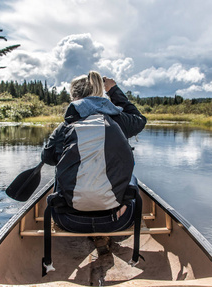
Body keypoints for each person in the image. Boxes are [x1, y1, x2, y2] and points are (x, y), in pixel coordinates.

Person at [41, 71, 146, 234]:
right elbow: (139, 120)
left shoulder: (66, 126)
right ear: (99, 91)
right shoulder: (118, 119)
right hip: (118, 221)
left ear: (74, 96)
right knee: (131, 176)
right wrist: (113, 90)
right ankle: (115, 215)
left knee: (59, 172)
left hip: (69, 221)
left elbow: (48, 158)